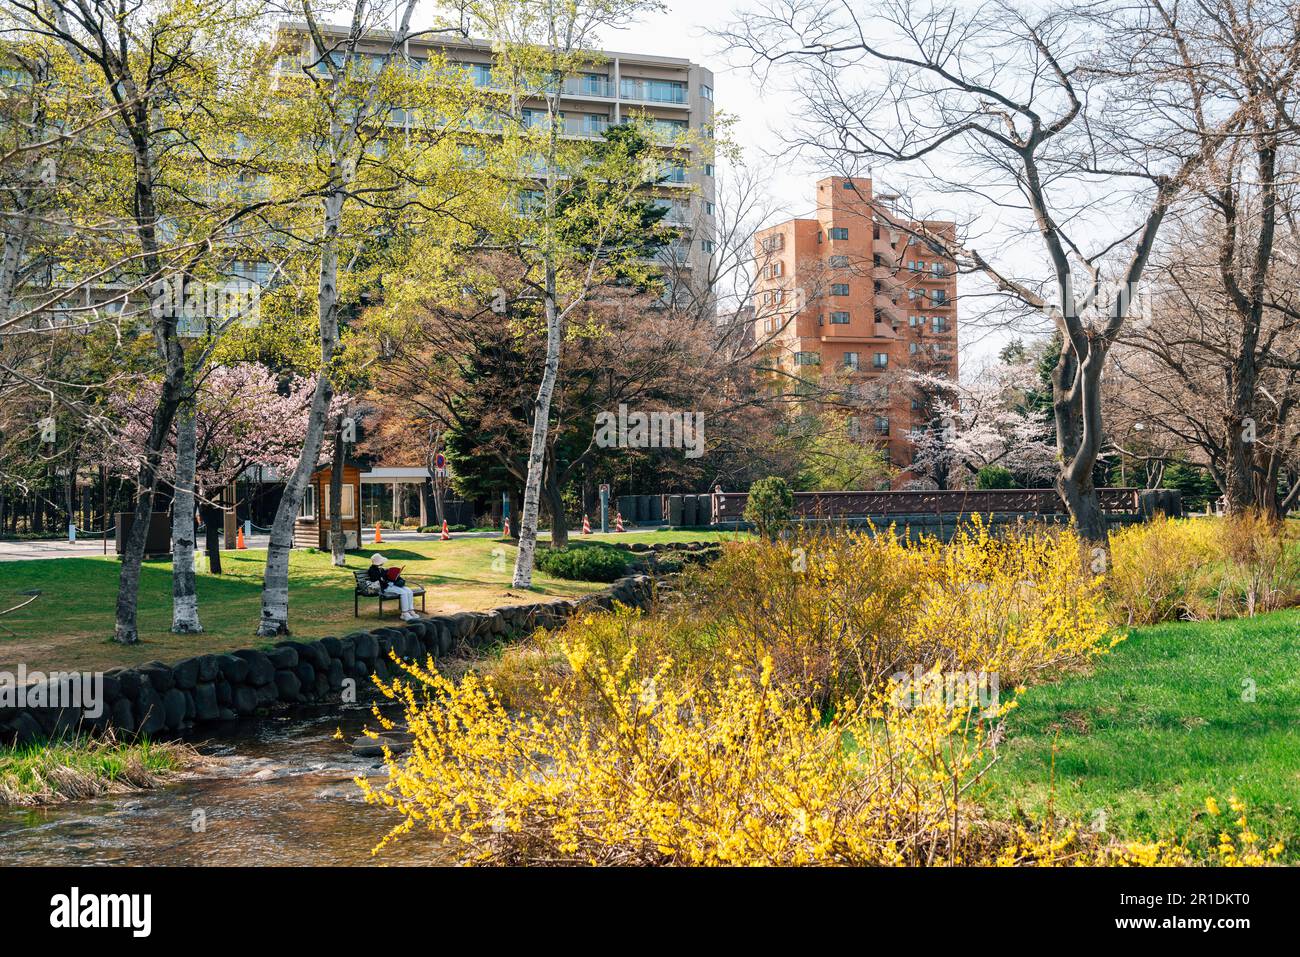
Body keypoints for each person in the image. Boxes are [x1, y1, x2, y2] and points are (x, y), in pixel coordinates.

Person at [368, 553, 419, 622]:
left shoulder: (381, 569)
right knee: (403, 592)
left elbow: (386, 577)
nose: (383, 563)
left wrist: (394, 576)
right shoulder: (372, 570)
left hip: (390, 585)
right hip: (384, 588)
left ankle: (411, 610)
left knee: (409, 590)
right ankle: (404, 613)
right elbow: (377, 581)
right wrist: (385, 578)